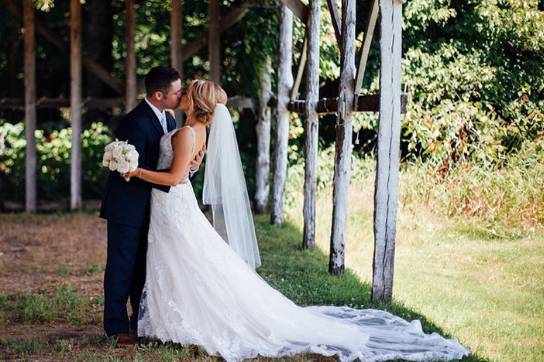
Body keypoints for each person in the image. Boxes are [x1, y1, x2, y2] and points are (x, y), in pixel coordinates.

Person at [123, 79, 470, 361]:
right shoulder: (193, 131)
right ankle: (174, 320)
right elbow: (185, 172)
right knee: (185, 262)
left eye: (186, 91)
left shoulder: (186, 133)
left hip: (172, 204)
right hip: (172, 207)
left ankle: (184, 322)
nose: (179, 94)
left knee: (188, 261)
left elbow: (173, 178)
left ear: (194, 101)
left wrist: (136, 170)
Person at [99, 66, 204, 344]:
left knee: (145, 268)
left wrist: (189, 169)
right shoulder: (133, 122)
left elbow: (171, 166)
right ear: (159, 95)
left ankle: (141, 322)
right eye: (177, 91)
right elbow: (132, 169)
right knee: (122, 266)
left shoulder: (170, 121)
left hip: (157, 207)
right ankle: (116, 328)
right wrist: (168, 179)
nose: (182, 94)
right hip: (128, 206)